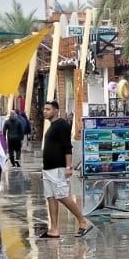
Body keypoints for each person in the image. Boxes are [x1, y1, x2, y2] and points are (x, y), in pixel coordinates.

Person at [41, 99, 91, 239]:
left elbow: (67, 147)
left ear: (56, 111)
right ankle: (54, 229)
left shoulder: (62, 124)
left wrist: (69, 167)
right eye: (44, 109)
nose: (45, 112)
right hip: (48, 168)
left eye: (48, 109)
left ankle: (83, 221)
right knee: (51, 197)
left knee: (62, 196)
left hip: (58, 168)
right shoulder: (52, 126)